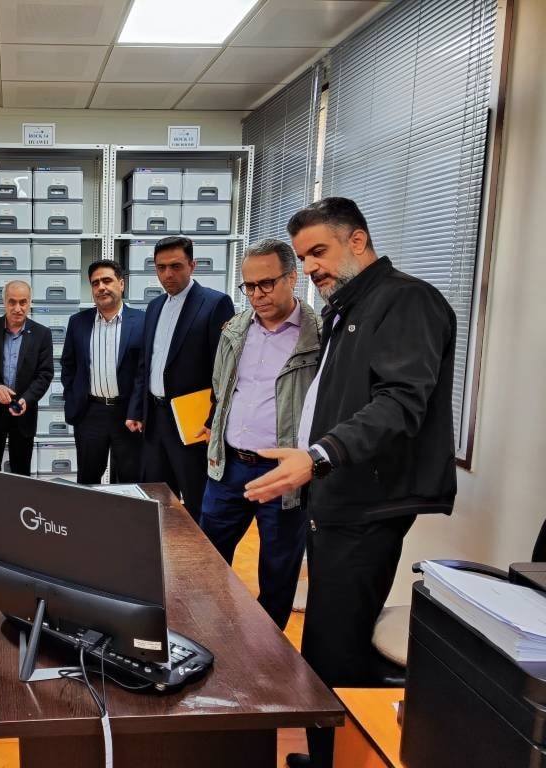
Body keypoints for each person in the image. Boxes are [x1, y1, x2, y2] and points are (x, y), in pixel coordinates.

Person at [243, 198, 457, 768]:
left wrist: (318, 456)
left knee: (336, 648)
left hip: (367, 506)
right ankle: (325, 756)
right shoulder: (348, 306)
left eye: (319, 251)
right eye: (303, 257)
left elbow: (400, 403)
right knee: (324, 642)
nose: (310, 267)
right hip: (336, 498)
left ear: (357, 240)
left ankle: (335, 760)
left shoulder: (407, 300)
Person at [198, 238, 320, 630]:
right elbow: (222, 388)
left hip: (282, 472)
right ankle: (209, 633)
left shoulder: (317, 337)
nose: (256, 294)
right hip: (229, 466)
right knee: (207, 559)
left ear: (292, 278)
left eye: (266, 283)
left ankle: (268, 651)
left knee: (278, 569)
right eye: (248, 286)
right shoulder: (234, 329)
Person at [131, 236, 235, 517]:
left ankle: (197, 547)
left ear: (192, 265)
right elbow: (146, 363)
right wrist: (137, 410)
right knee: (155, 500)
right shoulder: (154, 306)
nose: (168, 274)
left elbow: (225, 370)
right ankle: (161, 545)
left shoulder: (215, 304)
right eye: (161, 267)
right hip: (154, 419)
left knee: (197, 499)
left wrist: (214, 420)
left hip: (192, 423)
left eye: (176, 266)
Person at [60, 260, 145, 484]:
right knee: (87, 479)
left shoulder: (142, 321)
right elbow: (68, 365)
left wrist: (137, 410)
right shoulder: (78, 322)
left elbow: (144, 371)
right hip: (90, 413)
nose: (101, 287)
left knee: (129, 480)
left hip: (128, 415)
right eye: (95, 283)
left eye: (107, 280)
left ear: (121, 284)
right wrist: (73, 397)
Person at [0, 280, 54, 476]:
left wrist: (27, 399)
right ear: (4, 302)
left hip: (23, 412)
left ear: (30, 302)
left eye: (23, 302)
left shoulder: (42, 334)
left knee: (21, 475)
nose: (17, 308)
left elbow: (45, 374)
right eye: (12, 302)